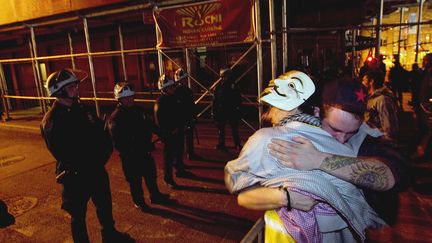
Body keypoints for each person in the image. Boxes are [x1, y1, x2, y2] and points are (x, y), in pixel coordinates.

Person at [225, 71, 386, 242]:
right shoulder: (341, 143)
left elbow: (236, 187)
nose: (270, 113)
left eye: (273, 106)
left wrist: (286, 198)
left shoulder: (266, 139)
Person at [40, 69, 134, 243]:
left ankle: (109, 235)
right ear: (59, 90)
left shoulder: (81, 108)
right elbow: (65, 153)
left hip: (96, 170)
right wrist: (95, 153)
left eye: (76, 84)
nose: (76, 88)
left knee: (104, 206)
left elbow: (98, 128)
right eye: (71, 86)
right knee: (78, 216)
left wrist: (105, 144)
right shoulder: (52, 121)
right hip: (75, 176)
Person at [108, 82, 170, 212]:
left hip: (145, 151)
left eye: (131, 96)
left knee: (150, 175)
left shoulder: (138, 110)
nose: (130, 99)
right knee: (135, 181)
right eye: (126, 97)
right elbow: (117, 142)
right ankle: (139, 201)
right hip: (130, 156)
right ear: (119, 99)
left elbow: (150, 125)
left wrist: (163, 134)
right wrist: (131, 149)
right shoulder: (116, 118)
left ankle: (155, 195)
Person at [154, 74, 193, 189]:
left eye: (173, 86)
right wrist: (168, 132)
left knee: (179, 152)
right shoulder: (160, 102)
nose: (173, 88)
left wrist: (183, 125)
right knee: (168, 157)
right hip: (169, 134)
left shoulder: (174, 98)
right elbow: (160, 121)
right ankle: (168, 178)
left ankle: (180, 170)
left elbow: (179, 113)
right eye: (170, 87)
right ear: (164, 89)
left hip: (178, 131)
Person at [363, 69, 399, 142]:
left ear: (371, 81)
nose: (362, 83)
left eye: (364, 80)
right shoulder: (371, 97)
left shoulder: (382, 100)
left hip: (377, 144)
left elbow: (389, 129)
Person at [212, 68, 242, 150]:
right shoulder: (218, 86)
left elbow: (238, 99)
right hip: (221, 110)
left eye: (228, 75)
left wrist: (238, 109)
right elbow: (215, 100)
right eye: (226, 75)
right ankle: (221, 144)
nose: (227, 77)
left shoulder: (233, 85)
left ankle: (237, 143)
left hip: (231, 109)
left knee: (234, 129)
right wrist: (214, 111)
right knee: (221, 129)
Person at [173, 68, 200, 160]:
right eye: (183, 79)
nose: (184, 80)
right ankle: (184, 156)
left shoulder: (185, 90)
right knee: (181, 139)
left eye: (185, 79)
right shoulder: (177, 91)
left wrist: (194, 114)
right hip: (183, 117)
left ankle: (190, 153)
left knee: (189, 137)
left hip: (188, 116)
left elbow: (191, 104)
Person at [416, 53, 432, 159]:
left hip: (427, 105)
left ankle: (424, 152)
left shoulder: (430, 72)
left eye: (426, 60)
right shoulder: (425, 72)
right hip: (423, 104)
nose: (423, 62)